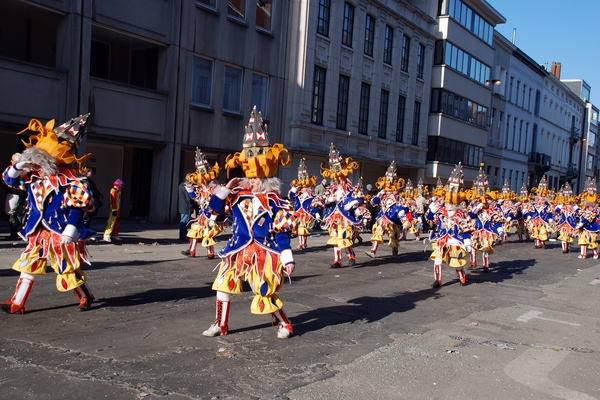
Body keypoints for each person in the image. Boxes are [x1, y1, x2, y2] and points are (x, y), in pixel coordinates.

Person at [202, 107, 297, 339]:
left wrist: (287, 258)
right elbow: (212, 213)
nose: (251, 181)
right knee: (222, 284)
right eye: (249, 177)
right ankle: (220, 324)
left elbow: (282, 230)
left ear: (266, 178)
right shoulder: (236, 195)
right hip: (238, 249)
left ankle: (285, 323)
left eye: (256, 178)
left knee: (262, 290)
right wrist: (224, 189)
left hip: (263, 252)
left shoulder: (276, 202)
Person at [1, 114, 96, 314]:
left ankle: (85, 296)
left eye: (38, 165)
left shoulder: (68, 180)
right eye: (33, 165)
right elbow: (9, 181)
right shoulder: (32, 178)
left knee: (66, 268)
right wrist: (19, 166)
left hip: (59, 231)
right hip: (37, 231)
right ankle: (17, 302)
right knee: (27, 265)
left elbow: (77, 206)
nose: (35, 169)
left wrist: (70, 230)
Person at [320, 143, 367, 268]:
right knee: (335, 238)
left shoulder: (350, 187)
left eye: (340, 178)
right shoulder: (331, 188)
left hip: (345, 216)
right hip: (334, 216)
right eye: (336, 178)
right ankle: (337, 260)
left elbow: (360, 197)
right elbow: (323, 202)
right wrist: (328, 199)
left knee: (344, 236)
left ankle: (351, 255)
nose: (338, 181)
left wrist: (352, 202)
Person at [425, 163, 472, 288]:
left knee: (456, 262)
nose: (448, 204)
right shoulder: (440, 213)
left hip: (455, 240)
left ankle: (461, 275)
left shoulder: (460, 215)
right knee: (437, 259)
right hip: (441, 239)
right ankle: (438, 280)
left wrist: (467, 244)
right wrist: (433, 208)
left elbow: (466, 230)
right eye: (447, 201)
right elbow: (429, 218)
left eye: (451, 202)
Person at [182, 148, 221, 258]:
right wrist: (189, 189)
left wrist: (213, 217)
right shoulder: (201, 190)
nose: (201, 184)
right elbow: (196, 198)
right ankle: (192, 251)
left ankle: (210, 253)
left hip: (210, 215)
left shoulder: (214, 190)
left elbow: (217, 204)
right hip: (201, 216)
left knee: (208, 234)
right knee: (195, 231)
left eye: (203, 182)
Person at [365, 161, 406, 258]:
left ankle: (395, 251)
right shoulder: (382, 195)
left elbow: (403, 208)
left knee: (393, 235)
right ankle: (373, 251)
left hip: (392, 219)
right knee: (378, 232)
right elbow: (373, 203)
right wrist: (378, 195)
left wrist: (404, 219)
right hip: (382, 218)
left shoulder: (397, 197)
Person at [288, 158, 320, 250]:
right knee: (300, 229)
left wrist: (317, 214)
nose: (303, 189)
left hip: (306, 214)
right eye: (302, 187)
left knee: (303, 229)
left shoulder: (311, 196)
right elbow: (290, 196)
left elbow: (314, 205)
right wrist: (294, 188)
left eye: (304, 187)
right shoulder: (298, 194)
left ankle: (303, 243)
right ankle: (302, 243)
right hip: (298, 213)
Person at [4, 153, 27, 240]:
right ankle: (14, 232)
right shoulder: (10, 168)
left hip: (17, 193)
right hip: (12, 193)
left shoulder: (23, 170)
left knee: (13, 213)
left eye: (12, 160)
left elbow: (15, 183)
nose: (11, 161)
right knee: (10, 212)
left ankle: (15, 233)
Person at [178, 173, 196, 241]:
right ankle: (183, 236)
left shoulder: (181, 185)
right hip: (186, 207)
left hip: (183, 206)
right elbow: (188, 198)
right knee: (184, 222)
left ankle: (183, 235)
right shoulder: (186, 187)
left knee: (184, 221)